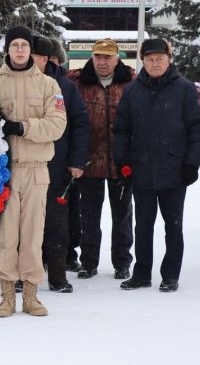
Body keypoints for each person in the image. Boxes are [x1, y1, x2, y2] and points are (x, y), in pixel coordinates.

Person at [114, 38, 200, 292]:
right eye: (150, 59)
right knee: (142, 225)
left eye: (159, 59)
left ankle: (170, 275)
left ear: (169, 59)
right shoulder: (133, 90)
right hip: (141, 169)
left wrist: (191, 164)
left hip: (175, 171)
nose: (155, 63)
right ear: (142, 61)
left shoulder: (185, 89)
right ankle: (142, 273)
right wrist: (122, 162)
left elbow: (198, 130)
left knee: (173, 226)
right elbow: (121, 129)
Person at [0, 25, 67, 317]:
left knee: (33, 234)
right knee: (6, 235)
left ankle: (31, 294)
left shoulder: (48, 85)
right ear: (7, 49)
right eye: (14, 45)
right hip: (4, 171)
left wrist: (22, 127)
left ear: (30, 50)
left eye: (24, 45)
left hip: (36, 169)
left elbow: (57, 125)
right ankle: (7, 295)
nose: (19, 50)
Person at [67, 38, 135, 280]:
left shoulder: (132, 82)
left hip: (121, 162)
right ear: (91, 57)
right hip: (88, 160)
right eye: (98, 57)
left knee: (123, 215)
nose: (103, 62)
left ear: (117, 59)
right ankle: (88, 261)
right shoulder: (76, 82)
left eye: (108, 57)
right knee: (89, 214)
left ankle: (122, 262)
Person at [31, 35, 90, 293]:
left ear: (46, 59)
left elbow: (80, 124)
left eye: (35, 57)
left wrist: (77, 160)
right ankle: (26, 273)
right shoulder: (9, 83)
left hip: (56, 163)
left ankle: (57, 275)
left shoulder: (64, 86)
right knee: (24, 223)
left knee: (56, 223)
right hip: (21, 165)